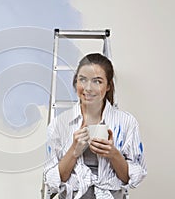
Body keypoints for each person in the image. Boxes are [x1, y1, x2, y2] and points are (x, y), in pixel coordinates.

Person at [44, 53, 147, 199]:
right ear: (75, 83)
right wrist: (74, 150)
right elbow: (52, 180)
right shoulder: (59, 124)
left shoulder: (126, 122)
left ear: (108, 86)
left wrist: (113, 154)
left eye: (97, 81)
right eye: (82, 80)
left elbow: (129, 178)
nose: (88, 88)